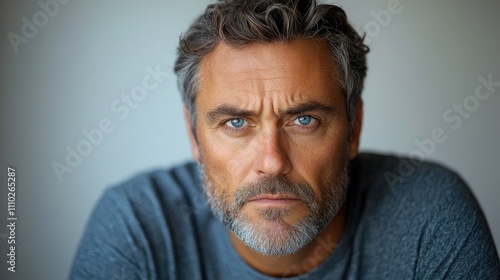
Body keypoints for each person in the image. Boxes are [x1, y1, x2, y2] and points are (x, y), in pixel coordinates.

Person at [70, 0, 500, 279]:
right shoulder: (136, 224)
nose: (272, 162)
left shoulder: (427, 212)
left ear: (353, 129)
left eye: (304, 120)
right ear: (194, 137)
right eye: (237, 123)